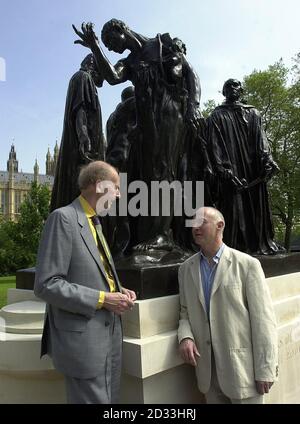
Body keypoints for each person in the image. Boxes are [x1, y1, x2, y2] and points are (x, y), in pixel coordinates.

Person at [73, 20, 201, 252]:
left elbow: (190, 73)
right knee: (150, 175)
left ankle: (163, 236)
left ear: (121, 30)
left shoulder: (163, 43)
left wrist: (194, 105)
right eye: (108, 46)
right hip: (147, 124)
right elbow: (112, 77)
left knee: (164, 172)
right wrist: (94, 46)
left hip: (170, 116)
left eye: (111, 42)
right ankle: (152, 234)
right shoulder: (130, 62)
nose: (112, 48)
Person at [34, 161, 136, 404]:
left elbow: (89, 273)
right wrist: (103, 299)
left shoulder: (95, 223)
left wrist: (117, 290)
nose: (120, 194)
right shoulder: (63, 219)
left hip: (109, 338)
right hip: (84, 345)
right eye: (117, 187)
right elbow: (46, 284)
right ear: (98, 185)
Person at [177, 206, 278, 404]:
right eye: (193, 224)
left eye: (201, 222)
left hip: (243, 372)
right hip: (207, 372)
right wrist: (185, 337)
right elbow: (184, 312)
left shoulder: (248, 265)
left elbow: (264, 321)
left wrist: (266, 368)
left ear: (220, 225)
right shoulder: (185, 269)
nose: (195, 227)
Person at [206, 78, 282, 255]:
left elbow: (262, 139)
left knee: (257, 207)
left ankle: (261, 244)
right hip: (232, 172)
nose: (233, 88)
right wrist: (223, 169)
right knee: (234, 210)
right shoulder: (216, 116)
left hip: (254, 170)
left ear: (242, 90)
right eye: (228, 86)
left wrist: (268, 159)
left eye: (236, 85)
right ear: (224, 92)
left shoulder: (254, 113)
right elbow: (214, 144)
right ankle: (235, 248)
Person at [50, 54, 106, 212]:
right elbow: (79, 108)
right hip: (84, 147)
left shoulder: (79, 78)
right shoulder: (83, 77)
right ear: (94, 65)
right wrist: (83, 137)